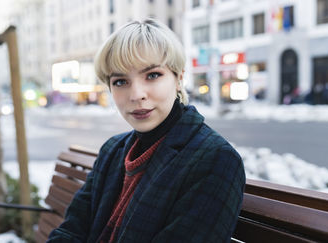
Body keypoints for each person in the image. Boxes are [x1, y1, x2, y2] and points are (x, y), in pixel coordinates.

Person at [47, 19, 245, 243]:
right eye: (121, 81)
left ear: (179, 78)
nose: (136, 95)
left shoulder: (214, 159)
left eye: (152, 75)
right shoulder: (113, 150)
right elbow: (71, 230)